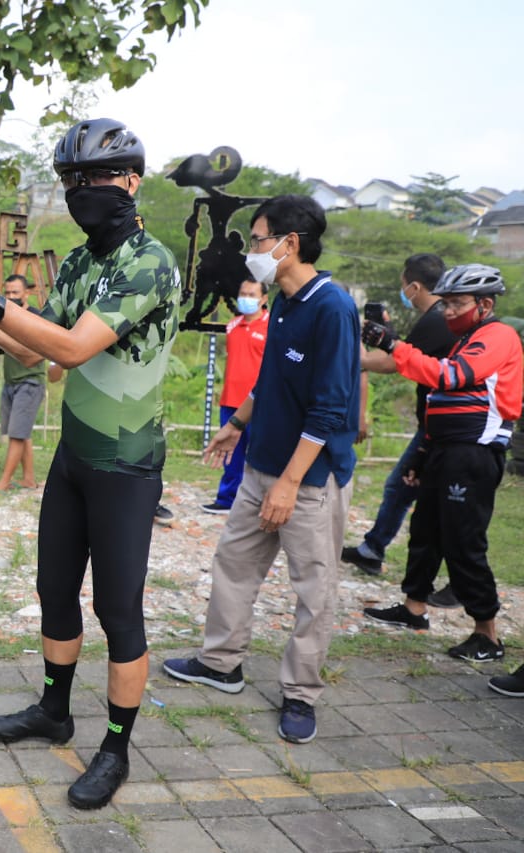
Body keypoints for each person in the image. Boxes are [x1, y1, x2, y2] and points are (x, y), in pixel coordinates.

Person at [0, 118, 181, 810]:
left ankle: (116, 748)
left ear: (131, 180)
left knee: (117, 610)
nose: (83, 191)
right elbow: (33, 354)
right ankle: (54, 710)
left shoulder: (148, 263)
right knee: (54, 589)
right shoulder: (76, 264)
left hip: (126, 465)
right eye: (71, 181)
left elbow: (71, 349)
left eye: (97, 177)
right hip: (73, 459)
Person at [164, 195, 360, 746]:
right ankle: (222, 661)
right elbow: (271, 380)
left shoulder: (332, 308)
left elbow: (330, 407)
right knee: (234, 563)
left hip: (309, 481)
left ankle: (300, 694)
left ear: (289, 244)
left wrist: (292, 484)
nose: (252, 251)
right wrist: (237, 425)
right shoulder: (283, 303)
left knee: (313, 589)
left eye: (257, 240)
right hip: (261, 467)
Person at [361, 264, 522, 663]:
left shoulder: (497, 336)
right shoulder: (466, 338)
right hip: (443, 450)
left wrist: (393, 344)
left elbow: (450, 377)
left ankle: (487, 634)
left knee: (463, 542)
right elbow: (439, 400)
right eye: (445, 303)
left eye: (457, 304)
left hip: (473, 455)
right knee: (425, 530)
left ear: (485, 304)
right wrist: (421, 453)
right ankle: (414, 609)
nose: (448, 311)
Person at [342, 255, 457, 604]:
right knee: (404, 488)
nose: (403, 292)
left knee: (442, 505)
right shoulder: (439, 319)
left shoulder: (436, 320)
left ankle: (456, 583)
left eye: (403, 285)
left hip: (444, 427)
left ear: (415, 287)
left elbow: (395, 362)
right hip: (435, 422)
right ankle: (373, 549)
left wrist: (355, 359)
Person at [202, 278, 269, 514]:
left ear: (263, 299)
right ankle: (227, 499)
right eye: (243, 293)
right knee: (230, 453)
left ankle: (262, 501)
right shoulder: (232, 325)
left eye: (252, 294)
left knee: (262, 453)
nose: (246, 298)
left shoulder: (272, 326)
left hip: (259, 403)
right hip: (231, 400)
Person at [0, 274, 47, 490]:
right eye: (8, 292)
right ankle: (29, 478)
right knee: (22, 431)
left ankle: (3, 483)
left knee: (16, 433)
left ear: (26, 293)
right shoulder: (3, 316)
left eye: (16, 292)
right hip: (11, 381)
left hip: (30, 381)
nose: (11, 296)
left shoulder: (35, 317)